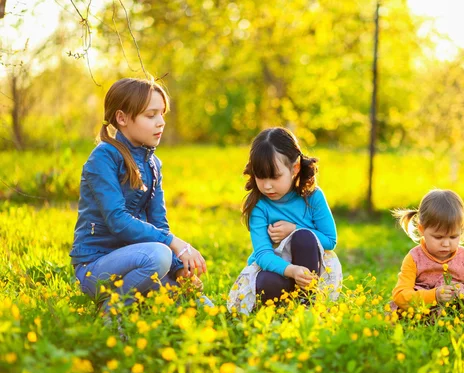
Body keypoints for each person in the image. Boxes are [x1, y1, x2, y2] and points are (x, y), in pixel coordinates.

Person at [70, 77, 209, 312]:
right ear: (122, 118)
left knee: (198, 302)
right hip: (96, 267)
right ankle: (112, 310)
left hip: (141, 263)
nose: (161, 122)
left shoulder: (153, 164)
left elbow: (159, 224)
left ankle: (137, 294)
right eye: (151, 115)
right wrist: (175, 245)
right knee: (159, 255)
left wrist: (177, 269)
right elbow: (117, 220)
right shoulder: (103, 157)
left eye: (162, 114)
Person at [227, 127, 342, 315]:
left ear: (295, 168)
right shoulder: (259, 205)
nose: (267, 185)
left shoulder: (312, 197)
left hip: (309, 272)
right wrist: (291, 270)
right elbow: (263, 255)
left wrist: (294, 229)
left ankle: (305, 306)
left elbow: (330, 240)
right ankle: (279, 311)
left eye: (274, 176)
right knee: (265, 282)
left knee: (303, 237)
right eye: (260, 177)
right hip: (277, 270)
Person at [391, 189, 464, 313]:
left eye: (453, 237)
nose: (446, 244)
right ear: (421, 229)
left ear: (461, 230)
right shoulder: (415, 258)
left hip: (457, 315)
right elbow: (400, 296)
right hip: (423, 312)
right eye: (438, 237)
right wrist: (433, 296)